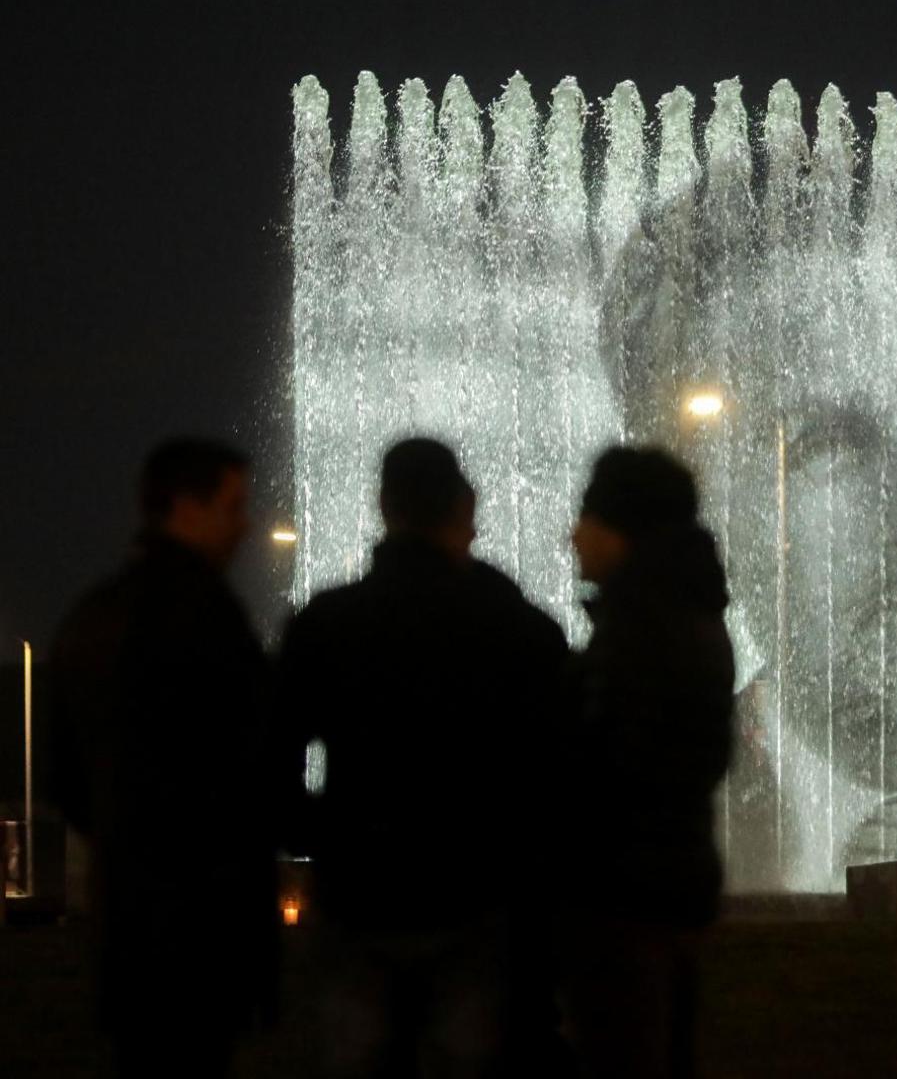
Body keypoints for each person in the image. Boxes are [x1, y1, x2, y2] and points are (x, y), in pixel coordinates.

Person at [277, 437, 571, 1077]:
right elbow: (559, 768)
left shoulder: (326, 624)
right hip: (475, 887)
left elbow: (273, 761)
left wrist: (323, 833)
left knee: (355, 1059)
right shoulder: (516, 628)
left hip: (360, 888)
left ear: (385, 507)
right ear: (466, 507)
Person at [51, 437, 275, 1077]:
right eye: (233, 506)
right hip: (207, 923)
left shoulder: (92, 616)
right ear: (186, 506)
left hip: (124, 913)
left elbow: (69, 777)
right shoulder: (212, 618)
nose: (245, 523)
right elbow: (255, 761)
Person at [563, 446, 734, 1079]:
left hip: (625, 891)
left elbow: (615, 762)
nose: (573, 535)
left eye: (588, 516)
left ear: (623, 528)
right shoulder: (684, 615)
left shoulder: (644, 629)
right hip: (667, 881)